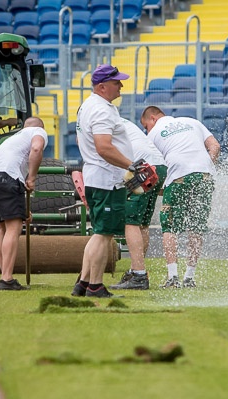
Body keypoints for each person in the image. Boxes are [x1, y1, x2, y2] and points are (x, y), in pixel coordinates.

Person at [140, 106, 220, 289]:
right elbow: (215, 146)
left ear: (152, 119)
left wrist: (161, 189)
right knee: (196, 227)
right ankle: (189, 278)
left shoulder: (152, 135)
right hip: (205, 176)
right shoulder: (193, 121)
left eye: (146, 126)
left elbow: (151, 170)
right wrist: (207, 165)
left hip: (178, 175)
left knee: (170, 227)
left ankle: (173, 278)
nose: (147, 131)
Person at [73, 64, 135, 298]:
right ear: (102, 86)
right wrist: (131, 165)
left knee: (99, 232)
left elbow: (84, 143)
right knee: (104, 234)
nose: (121, 85)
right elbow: (103, 146)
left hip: (97, 175)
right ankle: (95, 286)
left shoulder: (88, 106)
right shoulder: (100, 110)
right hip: (106, 179)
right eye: (116, 82)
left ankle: (83, 282)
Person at [0, 117, 47, 290]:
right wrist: (32, 178)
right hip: (7, 177)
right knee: (13, 229)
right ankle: (6, 279)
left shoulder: (13, 139)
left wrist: (24, 211)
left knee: (3, 228)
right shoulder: (38, 132)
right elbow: (36, 148)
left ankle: (5, 275)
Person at [108, 118, 168, 290]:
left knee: (130, 222)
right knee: (142, 224)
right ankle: (136, 270)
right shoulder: (120, 121)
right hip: (159, 166)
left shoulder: (101, 121)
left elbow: (106, 152)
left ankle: (139, 275)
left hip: (142, 167)